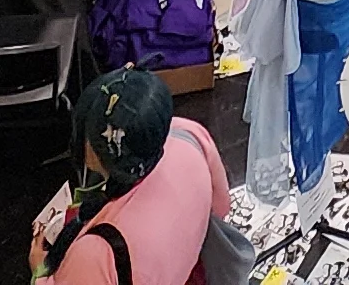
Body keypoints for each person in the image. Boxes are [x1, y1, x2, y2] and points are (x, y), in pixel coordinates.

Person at [36, 64, 229, 285]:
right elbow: (221, 207)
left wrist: (41, 273)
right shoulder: (188, 133)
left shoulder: (96, 252)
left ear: (99, 148)